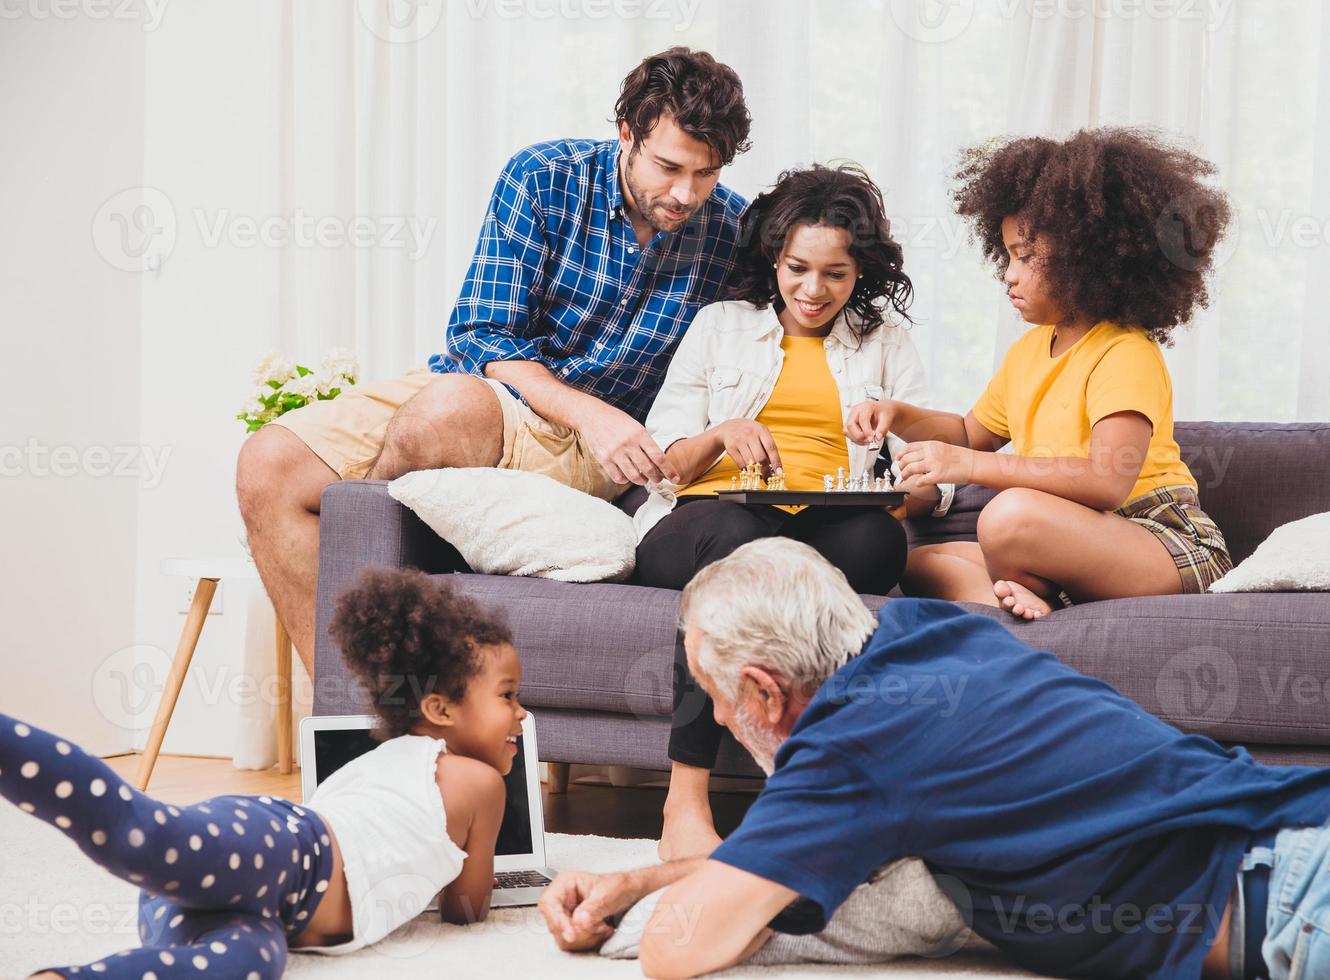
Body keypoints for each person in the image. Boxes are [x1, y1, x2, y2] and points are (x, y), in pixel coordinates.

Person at [540, 538, 1330, 979]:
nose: (715, 711)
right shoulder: (917, 634)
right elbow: (803, 860)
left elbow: (676, 953)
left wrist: (652, 909)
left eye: (713, 692)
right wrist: (638, 880)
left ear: (766, 691)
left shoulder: (851, 752)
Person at [236, 47, 752, 671]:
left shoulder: (731, 230)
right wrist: (589, 413)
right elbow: (483, 335)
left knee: (445, 413)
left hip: (592, 446)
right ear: (626, 133)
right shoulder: (544, 176)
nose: (685, 193)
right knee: (268, 463)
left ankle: (391, 690)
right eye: (669, 167)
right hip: (510, 392)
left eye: (706, 174)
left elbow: (792, 316)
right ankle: (353, 712)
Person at [631, 163, 953, 860]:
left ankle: (819, 797)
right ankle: (684, 800)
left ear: (859, 270)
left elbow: (935, 485)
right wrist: (721, 434)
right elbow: (661, 464)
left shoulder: (885, 341)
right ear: (773, 259)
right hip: (706, 521)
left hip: (821, 528)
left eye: (834, 275)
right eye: (797, 268)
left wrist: (900, 483)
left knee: (876, 543)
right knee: (742, 544)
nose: (813, 291)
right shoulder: (721, 328)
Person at [4, 568, 526, 977]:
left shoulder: (381, 762)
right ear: (439, 709)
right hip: (286, 852)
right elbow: (466, 908)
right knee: (138, 834)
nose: (522, 713)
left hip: (262, 897)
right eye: (507, 695)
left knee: (247, 963)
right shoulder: (480, 784)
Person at [849, 128, 1234, 619]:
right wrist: (897, 413)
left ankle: (1041, 598)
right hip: (1073, 535)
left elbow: (1107, 481)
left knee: (1008, 516)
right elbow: (970, 434)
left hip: (1156, 538)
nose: (1009, 273)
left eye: (1026, 257)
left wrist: (966, 467)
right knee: (922, 560)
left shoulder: (1124, 351)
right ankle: (1036, 602)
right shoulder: (1028, 351)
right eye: (1008, 254)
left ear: (1086, 260)